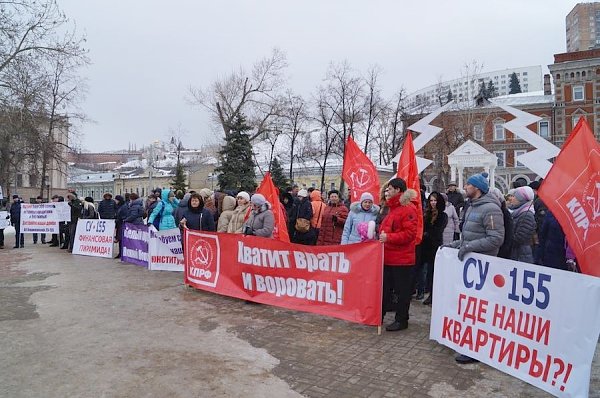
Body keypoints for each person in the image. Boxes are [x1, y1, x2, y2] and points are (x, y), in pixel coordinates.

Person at [443, 172, 504, 364]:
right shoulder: (471, 207)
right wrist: (455, 245)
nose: (465, 188)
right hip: (470, 266)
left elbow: (496, 239)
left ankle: (477, 350)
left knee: (480, 311)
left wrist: (468, 248)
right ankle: (468, 342)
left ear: (477, 188)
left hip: (483, 266)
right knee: (469, 308)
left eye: (468, 185)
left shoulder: (491, 209)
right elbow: (469, 237)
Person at [378, 178, 419, 331]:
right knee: (384, 289)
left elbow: (409, 234)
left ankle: (402, 320)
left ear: (398, 190)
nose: (387, 191)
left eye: (389, 189)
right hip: (388, 257)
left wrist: (389, 237)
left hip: (402, 259)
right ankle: (378, 316)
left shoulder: (408, 209)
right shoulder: (392, 208)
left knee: (402, 292)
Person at [421, 192, 448, 306]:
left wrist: (427, 233)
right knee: (422, 271)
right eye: (431, 200)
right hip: (423, 246)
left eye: (435, 201)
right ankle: (424, 291)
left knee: (432, 273)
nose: (433, 203)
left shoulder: (443, 215)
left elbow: (438, 231)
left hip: (434, 246)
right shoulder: (426, 213)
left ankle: (433, 295)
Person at [507, 186, 536, 264]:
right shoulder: (517, 212)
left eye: (514, 196)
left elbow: (520, 238)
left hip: (521, 256)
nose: (511, 199)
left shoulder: (527, 215)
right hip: (516, 254)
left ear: (521, 199)